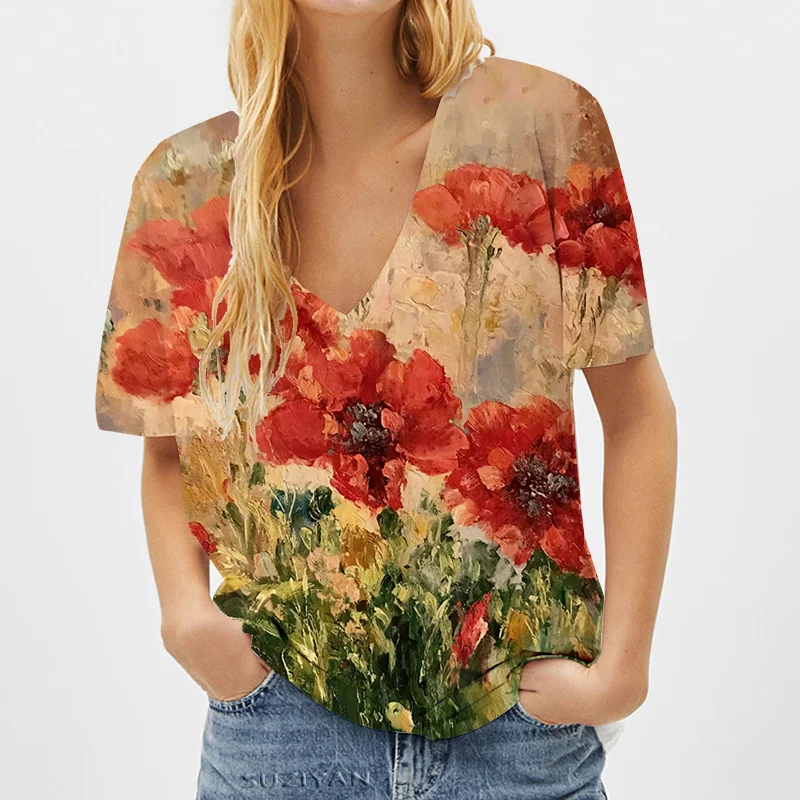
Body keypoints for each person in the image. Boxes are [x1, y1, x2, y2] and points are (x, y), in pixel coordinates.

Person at [95, 1, 677, 797]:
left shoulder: (539, 129)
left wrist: (623, 674)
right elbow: (169, 448)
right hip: (278, 736)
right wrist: (185, 618)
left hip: (517, 734)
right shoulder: (187, 185)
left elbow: (638, 413)